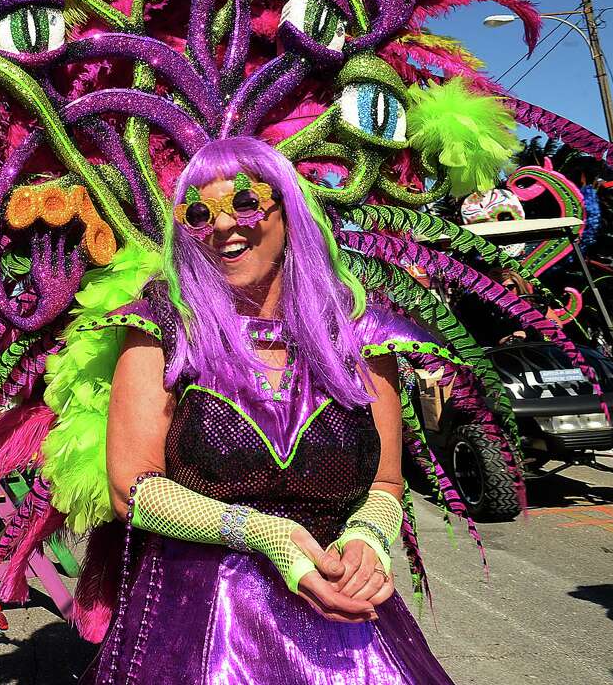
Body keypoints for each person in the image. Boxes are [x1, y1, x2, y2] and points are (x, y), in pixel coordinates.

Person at [93, 138, 455, 683]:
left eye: (244, 203)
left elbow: (385, 484)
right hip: (203, 628)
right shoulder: (163, 327)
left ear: (287, 209)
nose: (222, 227)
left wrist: (368, 541)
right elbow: (132, 489)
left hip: (345, 627)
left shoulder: (358, 334)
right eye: (198, 213)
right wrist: (264, 533)